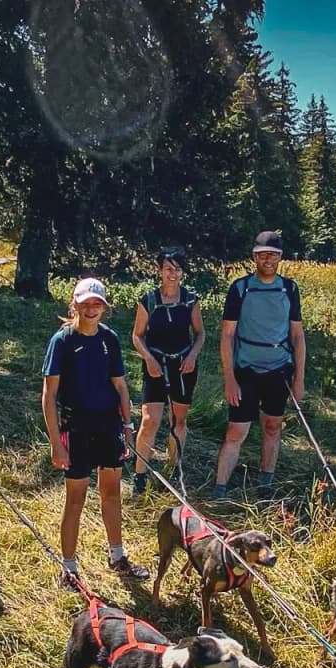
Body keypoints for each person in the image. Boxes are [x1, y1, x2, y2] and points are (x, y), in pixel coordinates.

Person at [43, 277, 152, 590]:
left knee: (111, 491)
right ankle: (69, 567)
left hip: (109, 426)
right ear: (74, 304)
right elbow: (49, 395)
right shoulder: (62, 341)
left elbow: (120, 386)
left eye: (97, 304)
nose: (92, 309)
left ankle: (117, 556)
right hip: (75, 428)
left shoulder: (110, 339)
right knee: (75, 497)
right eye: (86, 303)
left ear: (104, 307)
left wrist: (128, 426)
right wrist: (56, 443)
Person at [214, 230, 306, 500]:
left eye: (273, 255)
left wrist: (299, 380)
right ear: (254, 256)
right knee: (236, 430)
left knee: (272, 426)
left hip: (279, 370)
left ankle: (266, 484)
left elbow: (298, 336)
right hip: (245, 371)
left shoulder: (289, 289)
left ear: (280, 258)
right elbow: (227, 335)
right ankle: (219, 488)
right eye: (262, 254)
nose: (268, 259)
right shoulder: (240, 288)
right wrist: (229, 378)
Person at [129, 246, 205, 501]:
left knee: (178, 421)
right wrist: (149, 359)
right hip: (156, 364)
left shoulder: (191, 300)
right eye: (168, 269)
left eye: (178, 269)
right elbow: (137, 336)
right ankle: (139, 477)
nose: (173, 274)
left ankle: (173, 472)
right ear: (159, 270)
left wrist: (193, 355)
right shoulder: (148, 300)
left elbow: (200, 333)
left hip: (183, 366)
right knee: (150, 420)